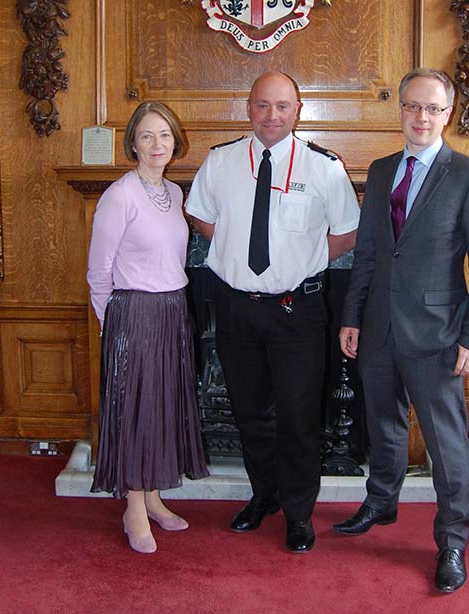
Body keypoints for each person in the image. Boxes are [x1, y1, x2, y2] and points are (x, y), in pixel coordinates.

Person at [333, 68, 469, 592]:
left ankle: (451, 541)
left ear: (447, 114)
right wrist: (352, 316)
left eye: (432, 108)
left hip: (440, 336)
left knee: (446, 444)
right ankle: (381, 503)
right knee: (382, 424)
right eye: (412, 106)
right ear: (400, 110)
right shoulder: (382, 171)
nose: (421, 117)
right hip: (378, 328)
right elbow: (368, 253)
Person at [186, 71, 360, 553]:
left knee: (298, 417)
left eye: (282, 106)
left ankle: (299, 514)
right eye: (262, 105)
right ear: (248, 108)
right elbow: (199, 214)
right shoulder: (220, 161)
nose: (272, 116)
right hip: (236, 308)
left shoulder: (323, 167)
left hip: (297, 313)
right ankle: (263, 496)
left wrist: (300, 263)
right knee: (249, 413)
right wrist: (232, 252)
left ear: (297, 109)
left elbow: (346, 232)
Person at [87, 101, 209, 554]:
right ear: (132, 143)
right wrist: (112, 329)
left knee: (161, 408)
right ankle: (133, 509)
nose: (157, 144)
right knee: (136, 412)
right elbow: (98, 272)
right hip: (133, 316)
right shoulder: (119, 195)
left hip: (172, 311)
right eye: (146, 136)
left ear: (175, 141)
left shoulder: (175, 194)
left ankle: (154, 497)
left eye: (164, 135)